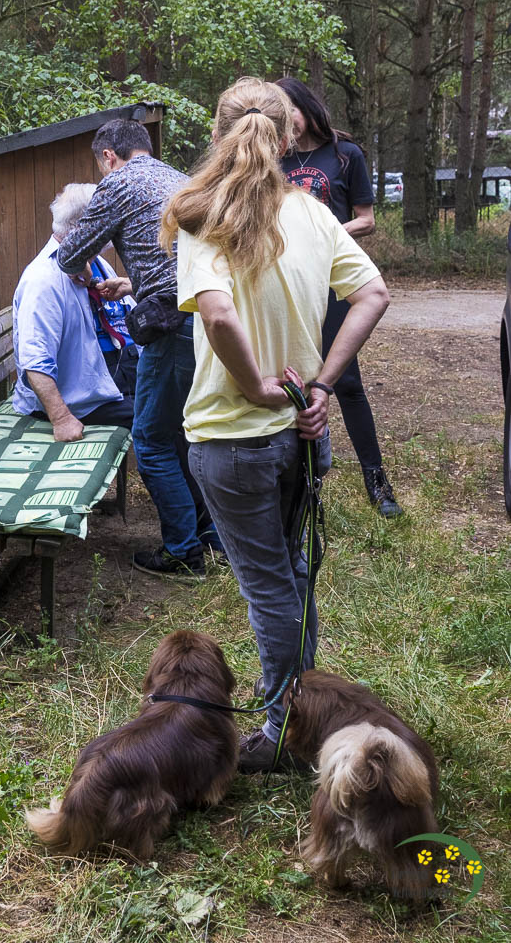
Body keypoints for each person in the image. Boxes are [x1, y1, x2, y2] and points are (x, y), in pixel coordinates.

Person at [163, 77, 389, 770]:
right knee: (291, 575)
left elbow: (218, 313)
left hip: (232, 440)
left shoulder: (202, 213)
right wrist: (319, 384)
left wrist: (255, 386)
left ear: (217, 132)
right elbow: (373, 294)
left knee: (269, 585)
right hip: (301, 433)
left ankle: (281, 728)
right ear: (291, 137)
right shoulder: (314, 215)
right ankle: (306, 712)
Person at [56, 117, 218, 580]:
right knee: (187, 431)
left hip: (171, 322)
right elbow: (174, 255)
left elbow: (70, 254)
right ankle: (212, 535)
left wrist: (82, 263)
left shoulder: (119, 182)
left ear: (109, 156)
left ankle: (182, 552)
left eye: (100, 164)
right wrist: (132, 283)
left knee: (149, 440)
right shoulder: (181, 179)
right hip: (209, 313)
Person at [277, 76, 403, 517]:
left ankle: (377, 483)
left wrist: (324, 235)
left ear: (306, 107)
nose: (285, 122)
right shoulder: (275, 159)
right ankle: (299, 482)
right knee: (290, 376)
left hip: (332, 281)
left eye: (289, 111)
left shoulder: (345, 154)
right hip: (291, 283)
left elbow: (366, 219)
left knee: (345, 381)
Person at [12, 184, 134, 436]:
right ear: (86, 229)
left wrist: (131, 286)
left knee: (178, 396)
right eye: (106, 224)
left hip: (116, 369)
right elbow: (34, 360)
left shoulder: (93, 262)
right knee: (162, 420)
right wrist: (61, 419)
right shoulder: (43, 280)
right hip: (83, 397)